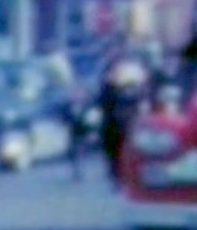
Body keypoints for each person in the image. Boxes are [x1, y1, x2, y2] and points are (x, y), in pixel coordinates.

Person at [98, 56, 151, 187]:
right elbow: (103, 103)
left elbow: (139, 100)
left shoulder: (131, 85)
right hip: (111, 123)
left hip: (126, 122)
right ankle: (116, 174)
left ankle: (125, 174)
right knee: (112, 150)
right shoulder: (108, 87)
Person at [60, 84, 98, 181]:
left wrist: (92, 132)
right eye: (75, 94)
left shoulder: (88, 106)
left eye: (79, 94)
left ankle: (82, 169)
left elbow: (93, 119)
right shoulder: (67, 106)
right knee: (73, 151)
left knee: (82, 150)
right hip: (73, 132)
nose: (77, 96)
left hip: (84, 131)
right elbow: (64, 118)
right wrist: (65, 125)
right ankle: (76, 170)